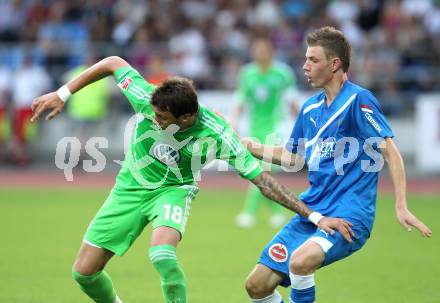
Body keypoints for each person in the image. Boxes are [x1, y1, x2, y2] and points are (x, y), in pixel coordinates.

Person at [30, 55, 353, 303]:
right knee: (84, 274)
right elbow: (114, 63)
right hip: (129, 187)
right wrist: (64, 92)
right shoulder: (146, 98)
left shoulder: (216, 135)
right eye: (154, 115)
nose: (154, 121)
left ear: (187, 118)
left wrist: (313, 215)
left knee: (162, 254)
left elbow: (264, 181)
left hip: (174, 189)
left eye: (162, 118)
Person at [242, 27, 432, 303]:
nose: (305, 66)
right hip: (313, 211)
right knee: (257, 285)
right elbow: (293, 158)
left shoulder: (358, 100)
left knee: (300, 262)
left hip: (349, 215)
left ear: (334, 64)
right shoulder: (309, 109)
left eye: (313, 60)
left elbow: (390, 151)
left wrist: (401, 205)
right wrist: (249, 145)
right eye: (305, 59)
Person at [231, 37, 299, 229]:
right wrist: (233, 122)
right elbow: (240, 100)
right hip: (254, 129)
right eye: (257, 49)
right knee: (259, 171)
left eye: (264, 49)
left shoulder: (282, 73)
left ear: (271, 51)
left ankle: (249, 213)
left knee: (262, 170)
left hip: (275, 127)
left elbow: (292, 101)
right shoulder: (247, 73)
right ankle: (278, 213)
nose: (261, 53)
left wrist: (302, 126)